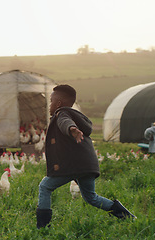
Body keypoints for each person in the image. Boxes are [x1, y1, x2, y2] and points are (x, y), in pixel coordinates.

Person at [36, 84, 136, 229]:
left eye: (51, 101)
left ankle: (43, 227)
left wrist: (72, 129)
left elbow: (65, 123)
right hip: (87, 164)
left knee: (45, 187)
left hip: (73, 165)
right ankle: (128, 217)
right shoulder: (78, 117)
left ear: (58, 103)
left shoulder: (61, 114)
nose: (50, 105)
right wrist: (74, 129)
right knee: (91, 197)